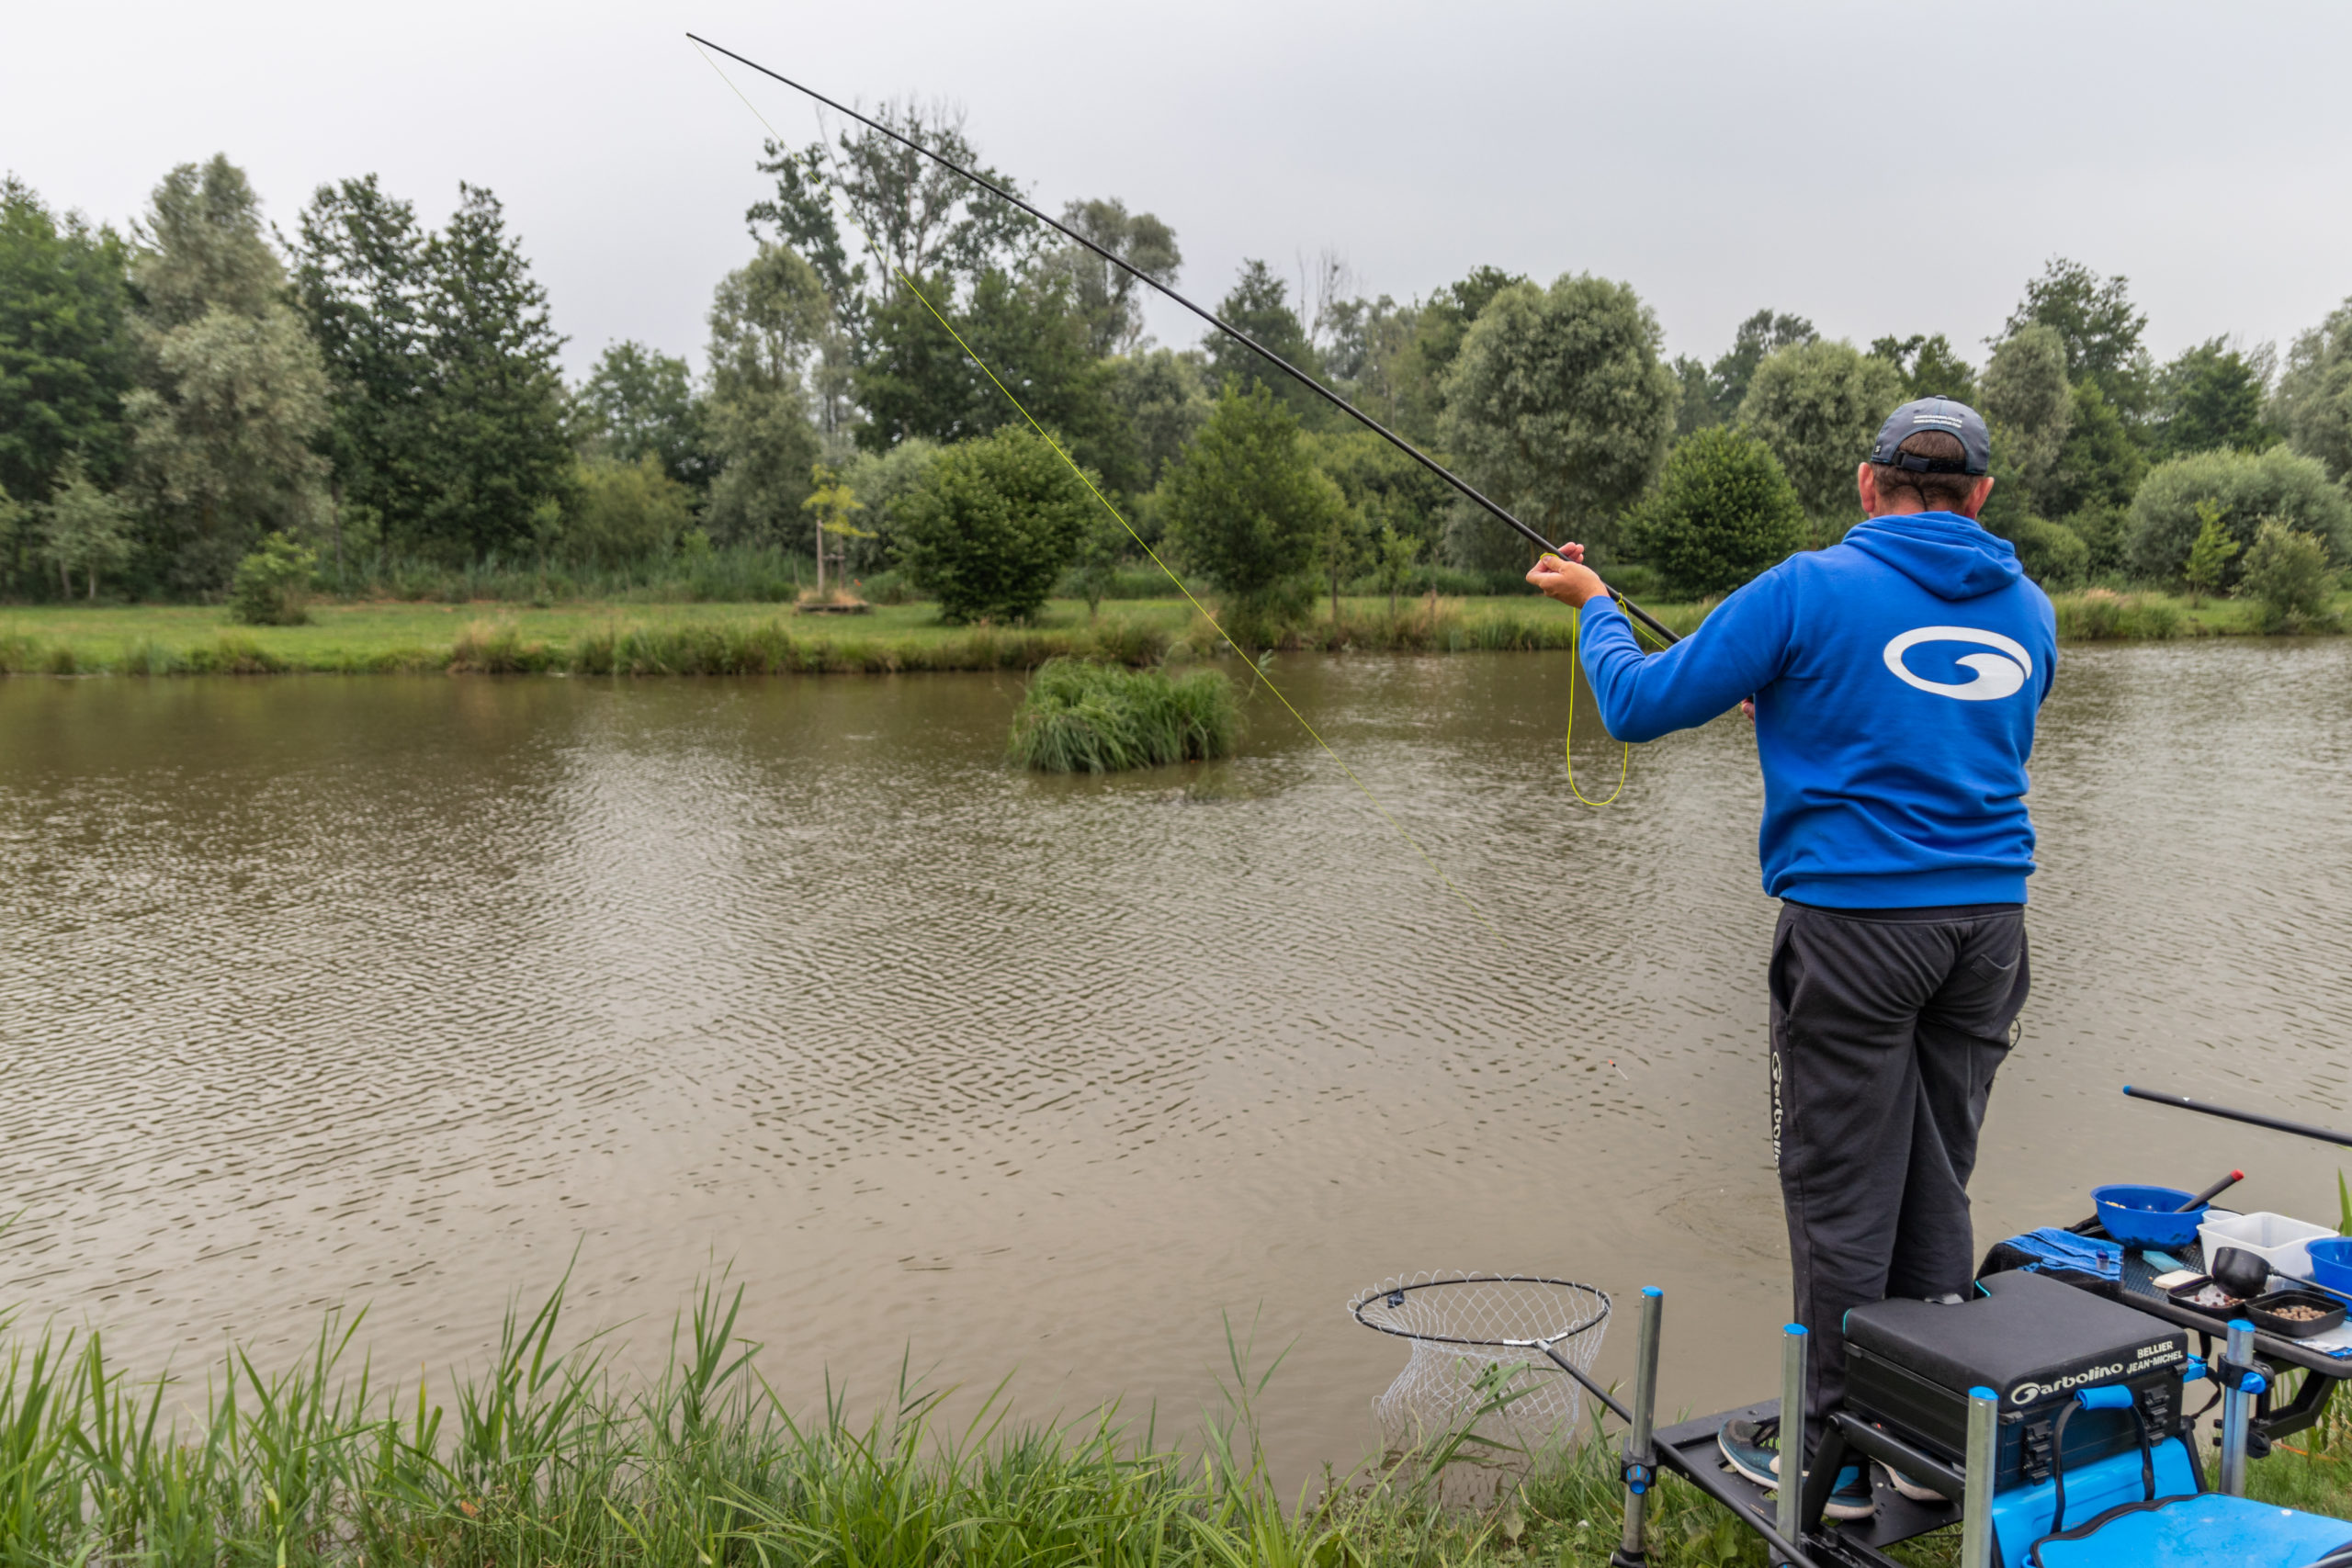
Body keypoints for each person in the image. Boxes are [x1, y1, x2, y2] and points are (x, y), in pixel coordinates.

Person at [1527, 398, 2054, 1520]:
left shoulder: (1808, 590)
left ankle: (1835, 1462)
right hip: (1988, 934)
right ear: (1982, 498)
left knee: (1838, 1202)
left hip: (1858, 935)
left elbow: (1632, 703)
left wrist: (1594, 608)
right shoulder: (2030, 610)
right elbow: (1955, 732)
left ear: (1868, 487)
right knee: (1930, 1186)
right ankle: (1923, 1439)